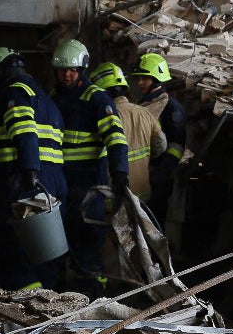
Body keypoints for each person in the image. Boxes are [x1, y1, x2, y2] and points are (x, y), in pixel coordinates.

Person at [0, 47, 68, 290]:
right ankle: (46, 304)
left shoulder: (15, 93)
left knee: (8, 251)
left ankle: (24, 307)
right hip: (52, 181)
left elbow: (25, 133)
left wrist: (29, 172)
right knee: (45, 253)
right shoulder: (46, 98)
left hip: (25, 181)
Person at [52, 40, 128, 295]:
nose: (67, 74)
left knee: (88, 245)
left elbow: (116, 139)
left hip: (88, 187)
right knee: (58, 245)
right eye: (63, 70)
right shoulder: (53, 99)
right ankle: (61, 299)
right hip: (60, 186)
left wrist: (120, 174)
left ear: (82, 68)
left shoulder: (97, 98)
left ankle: (95, 299)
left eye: (72, 69)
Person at [90, 62, 166, 205]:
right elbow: (161, 146)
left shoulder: (101, 117)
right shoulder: (144, 112)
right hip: (141, 198)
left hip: (111, 199)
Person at [128, 52, 185, 225]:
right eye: (139, 78)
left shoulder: (171, 107)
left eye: (145, 78)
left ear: (157, 79)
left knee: (155, 224)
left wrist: (162, 171)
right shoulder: (142, 103)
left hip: (158, 177)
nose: (140, 83)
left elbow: (178, 144)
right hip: (141, 173)